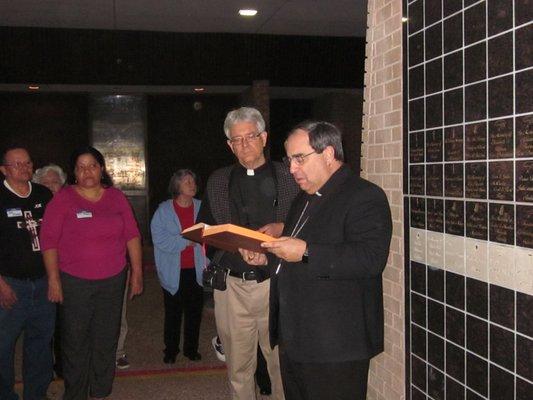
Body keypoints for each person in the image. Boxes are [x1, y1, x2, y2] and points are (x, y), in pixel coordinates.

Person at [243, 121, 392, 400]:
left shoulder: (364, 196)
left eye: (300, 158)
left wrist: (307, 252)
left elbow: (370, 259)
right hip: (296, 338)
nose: (292, 169)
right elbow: (294, 257)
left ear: (328, 153)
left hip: (336, 345)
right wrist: (266, 259)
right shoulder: (304, 199)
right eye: (289, 160)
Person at [198, 107, 298, 400]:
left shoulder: (289, 175)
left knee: (281, 363)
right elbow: (208, 233)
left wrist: (282, 227)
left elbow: (310, 224)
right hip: (232, 286)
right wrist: (233, 245)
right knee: (238, 366)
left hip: (277, 284)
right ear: (229, 145)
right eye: (236, 140)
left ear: (264, 137)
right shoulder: (218, 180)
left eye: (250, 137)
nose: (244, 145)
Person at [40, 146, 143, 400]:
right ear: (74, 172)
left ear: (101, 169)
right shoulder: (63, 199)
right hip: (74, 282)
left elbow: (132, 235)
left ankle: (100, 391)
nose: (87, 170)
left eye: (92, 165)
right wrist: (53, 279)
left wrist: (137, 272)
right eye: (81, 166)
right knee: (75, 341)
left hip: (113, 279)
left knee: (106, 338)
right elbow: (49, 241)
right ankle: (75, 393)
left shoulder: (116, 198)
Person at [0, 146, 55, 400]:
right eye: (16, 164)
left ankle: (36, 394)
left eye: (28, 162)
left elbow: (56, 237)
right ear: (4, 169)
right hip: (10, 284)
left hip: (43, 284)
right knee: (3, 345)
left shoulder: (44, 195)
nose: (24, 167)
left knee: (40, 344)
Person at [151, 169, 205, 363]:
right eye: (187, 181)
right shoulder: (163, 211)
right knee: (173, 313)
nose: (192, 184)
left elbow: (211, 234)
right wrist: (186, 241)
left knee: (194, 313)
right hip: (173, 272)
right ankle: (171, 350)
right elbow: (159, 240)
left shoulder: (202, 207)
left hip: (198, 271)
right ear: (177, 186)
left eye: (193, 181)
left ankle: (191, 349)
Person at [32, 163, 67, 377]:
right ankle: (43, 370)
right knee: (43, 326)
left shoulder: (69, 205)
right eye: (46, 183)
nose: (51, 187)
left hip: (68, 273)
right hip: (41, 275)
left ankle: (62, 367)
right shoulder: (34, 208)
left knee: (65, 325)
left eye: (55, 182)